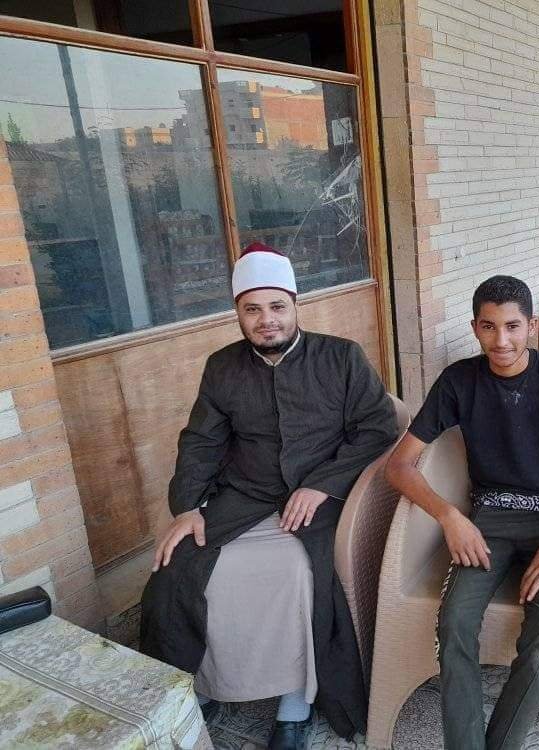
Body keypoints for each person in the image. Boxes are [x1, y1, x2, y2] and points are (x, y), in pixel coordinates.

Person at [140, 243, 399, 750]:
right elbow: (201, 441)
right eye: (252, 309)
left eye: (277, 306)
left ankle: (294, 705)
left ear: (296, 305)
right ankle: (197, 684)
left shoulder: (341, 357)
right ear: (237, 313)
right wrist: (188, 507)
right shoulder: (222, 367)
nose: (267, 320)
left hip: (322, 499)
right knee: (176, 565)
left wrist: (321, 484)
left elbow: (377, 429)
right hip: (245, 494)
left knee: (298, 573)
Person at [386, 275, 539, 750]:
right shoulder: (459, 380)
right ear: (475, 328)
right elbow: (398, 466)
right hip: (487, 524)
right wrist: (449, 516)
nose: (501, 340)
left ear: (532, 326)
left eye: (512, 326)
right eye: (488, 326)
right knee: (454, 624)